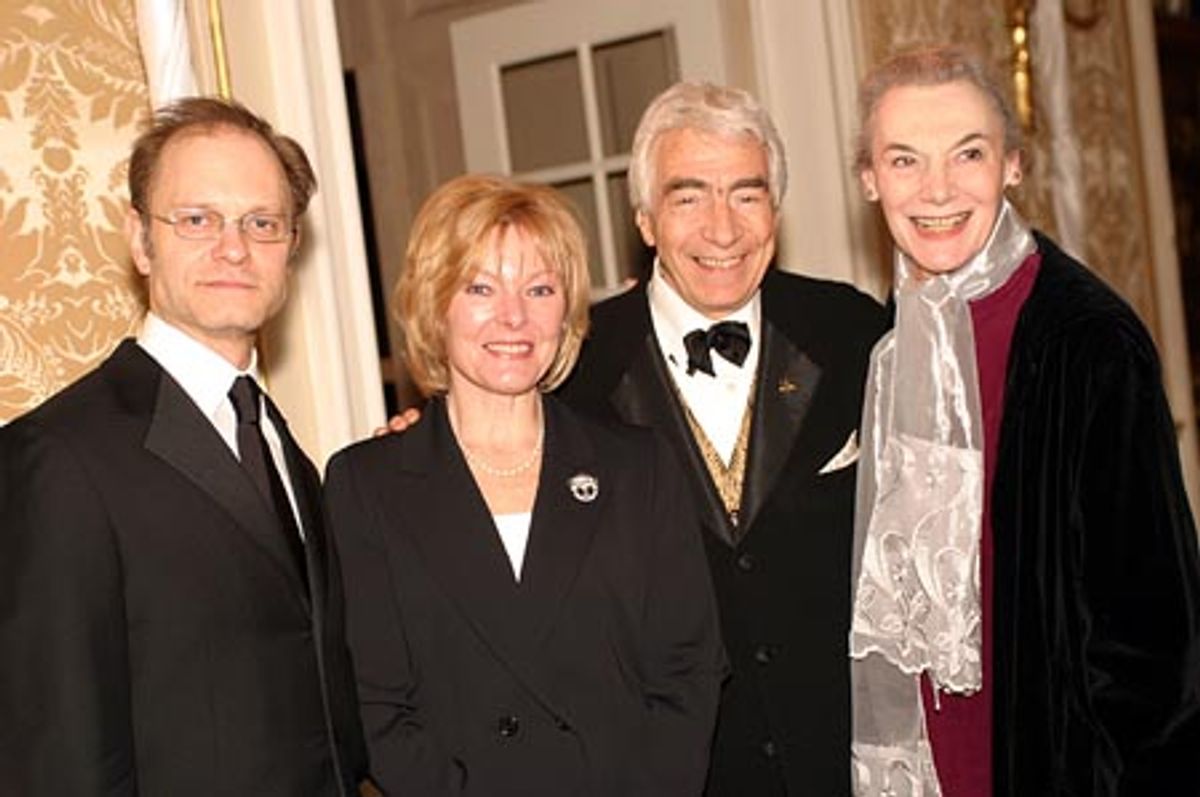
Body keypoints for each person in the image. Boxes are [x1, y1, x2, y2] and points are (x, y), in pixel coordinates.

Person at [848, 46, 1200, 797]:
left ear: (1012, 164)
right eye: (905, 160)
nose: (937, 189)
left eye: (968, 153)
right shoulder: (887, 347)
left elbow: (1154, 654)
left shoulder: (1091, 344)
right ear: (870, 179)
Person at [0, 98, 368, 795]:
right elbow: (57, 756)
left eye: (261, 223)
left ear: (291, 247)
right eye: (198, 219)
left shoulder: (283, 445)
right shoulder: (58, 457)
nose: (234, 248)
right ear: (141, 240)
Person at [324, 174, 725, 797]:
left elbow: (688, 674)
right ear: (433, 304)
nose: (514, 316)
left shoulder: (638, 468)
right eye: (480, 288)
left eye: (539, 289)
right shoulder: (367, 485)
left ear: (566, 311)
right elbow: (374, 705)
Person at [559, 82, 889, 796]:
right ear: (645, 220)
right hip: (674, 774)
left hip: (844, 764)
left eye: (747, 194)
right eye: (689, 197)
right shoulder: (571, 370)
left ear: (776, 209)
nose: (723, 229)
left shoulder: (854, 333)